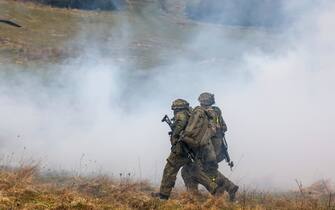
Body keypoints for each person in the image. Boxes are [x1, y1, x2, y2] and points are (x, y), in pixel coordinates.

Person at [152, 99, 220, 200]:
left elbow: (177, 132)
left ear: (177, 108)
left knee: (170, 169)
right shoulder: (191, 114)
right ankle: (215, 189)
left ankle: (163, 195)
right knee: (196, 171)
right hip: (193, 149)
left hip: (181, 149)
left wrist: (174, 136)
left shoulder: (181, 115)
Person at [181, 92, 239, 201]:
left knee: (205, 171)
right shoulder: (216, 112)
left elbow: (202, 131)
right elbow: (223, 128)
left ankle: (224, 189)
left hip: (208, 149)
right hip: (214, 148)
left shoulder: (203, 113)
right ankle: (196, 195)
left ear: (201, 101)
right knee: (197, 170)